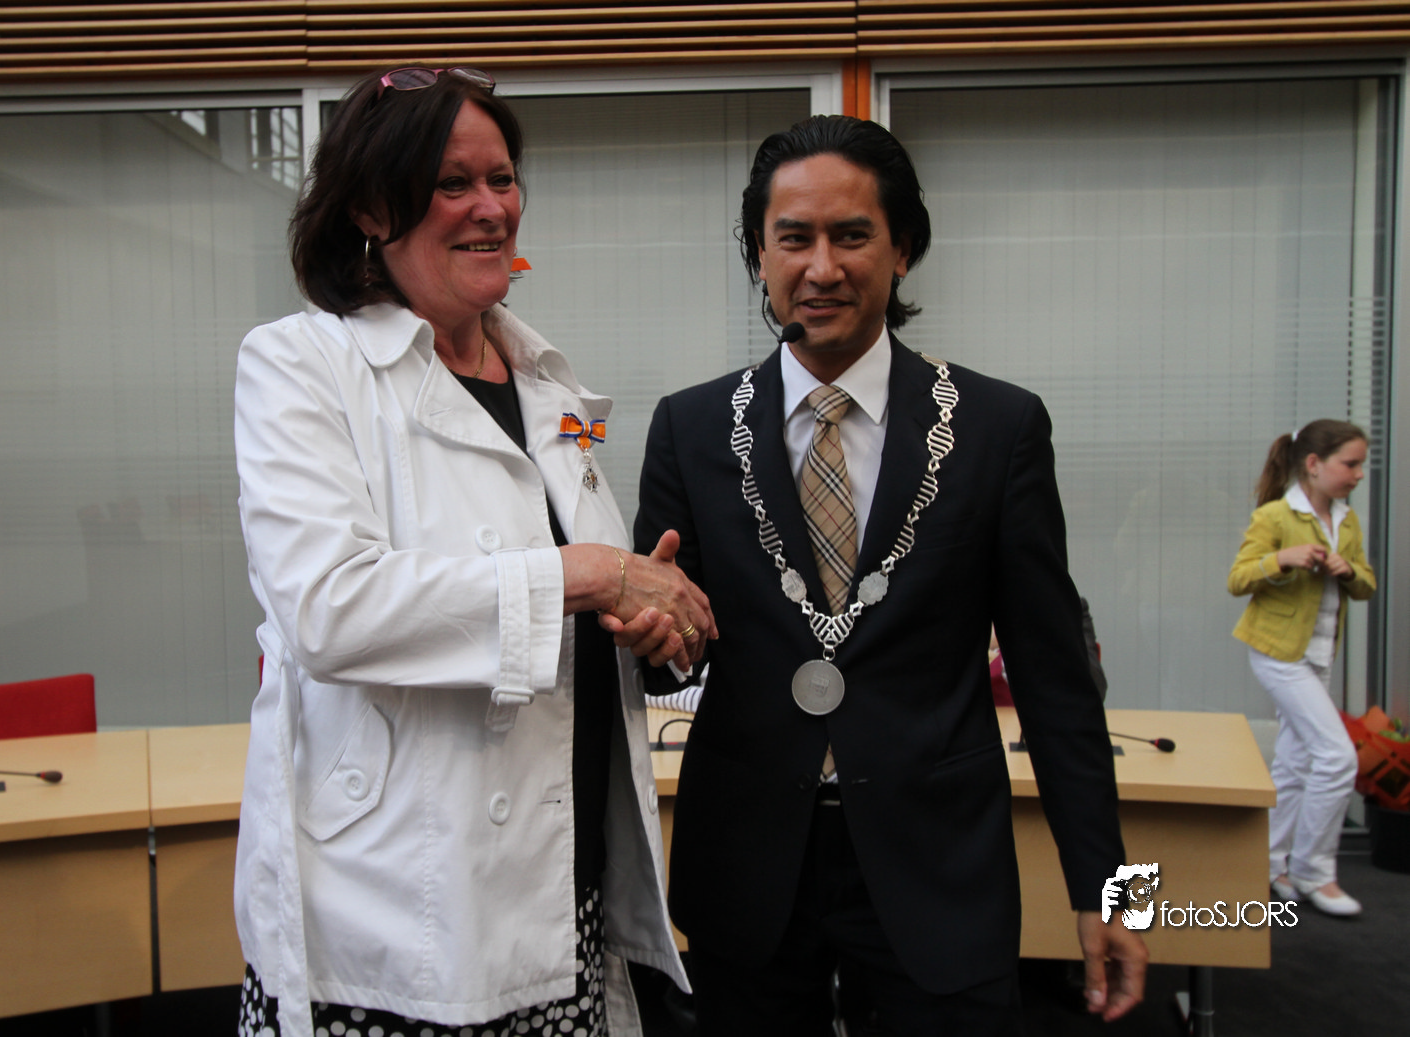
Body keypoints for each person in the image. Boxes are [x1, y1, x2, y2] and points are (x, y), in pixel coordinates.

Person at [628, 115, 1146, 1033]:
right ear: (758, 254)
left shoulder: (996, 428)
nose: (821, 267)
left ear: (902, 249)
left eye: (852, 235)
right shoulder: (691, 427)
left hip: (938, 862)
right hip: (749, 860)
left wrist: (1107, 887)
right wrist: (659, 635)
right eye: (793, 238)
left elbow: (1053, 676)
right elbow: (669, 659)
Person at [231, 66, 714, 1037]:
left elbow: (571, 603)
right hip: (402, 911)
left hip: (561, 887)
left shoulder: (550, 384)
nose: (491, 207)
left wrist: (649, 629)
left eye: (502, 178)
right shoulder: (299, 364)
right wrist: (592, 573)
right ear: (371, 207)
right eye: (452, 183)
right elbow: (328, 609)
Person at [1228, 419, 1375, 917]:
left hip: (1319, 654)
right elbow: (1238, 578)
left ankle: (1271, 865)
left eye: (1361, 465)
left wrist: (1348, 570)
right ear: (1314, 464)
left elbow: (1367, 584)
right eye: (1350, 464)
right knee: (1337, 757)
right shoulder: (1275, 515)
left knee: (1295, 762)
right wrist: (1283, 559)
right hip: (1278, 652)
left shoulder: (1346, 520)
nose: (1358, 474)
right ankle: (1315, 871)